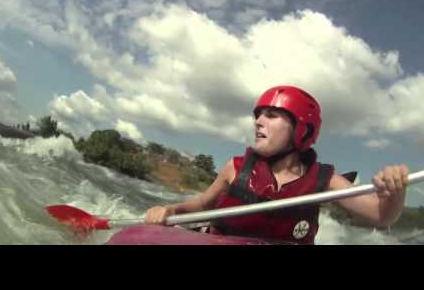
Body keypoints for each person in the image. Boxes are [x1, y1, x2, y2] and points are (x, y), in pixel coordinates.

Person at [145, 86, 409, 244]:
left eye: (271, 115)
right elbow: (203, 205)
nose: (259, 121)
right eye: (258, 115)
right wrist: (169, 209)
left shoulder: (324, 180)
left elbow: (381, 215)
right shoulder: (236, 168)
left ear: (302, 131)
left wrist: (395, 192)